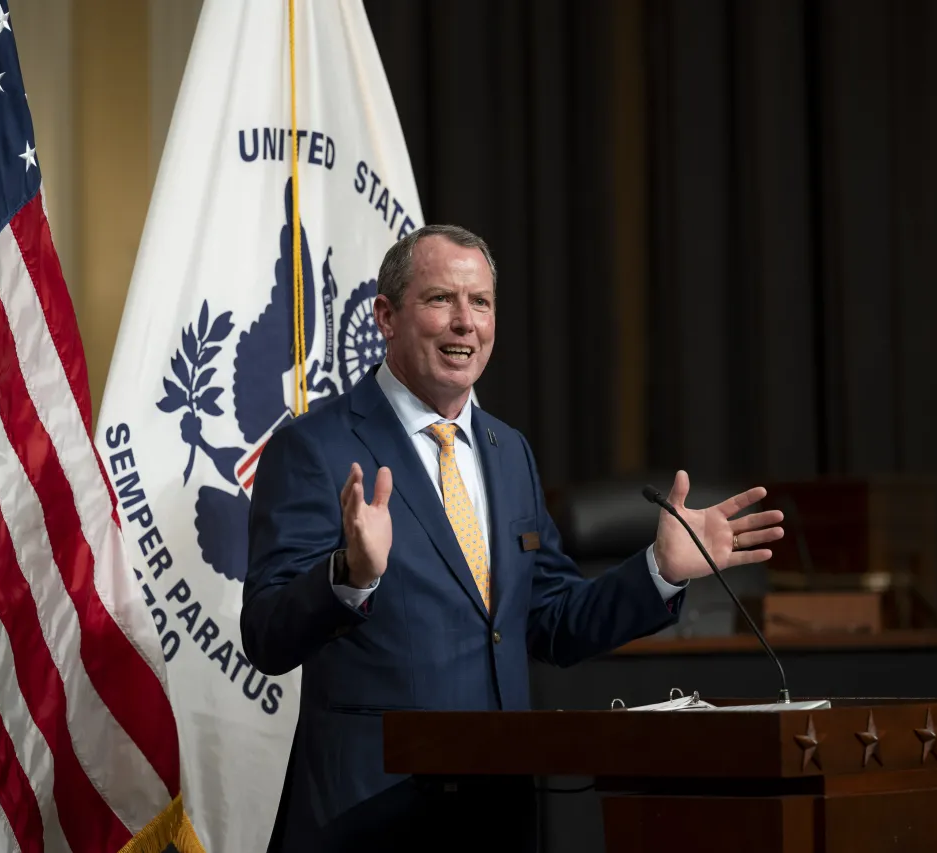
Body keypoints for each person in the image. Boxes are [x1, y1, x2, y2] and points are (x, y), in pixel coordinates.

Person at [241, 224, 784, 852]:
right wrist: (349, 575)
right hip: (367, 816)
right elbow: (266, 637)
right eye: (441, 299)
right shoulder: (315, 447)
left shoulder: (508, 451)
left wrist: (660, 570)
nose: (464, 323)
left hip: (497, 816)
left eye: (481, 303)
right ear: (386, 317)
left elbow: (551, 622)